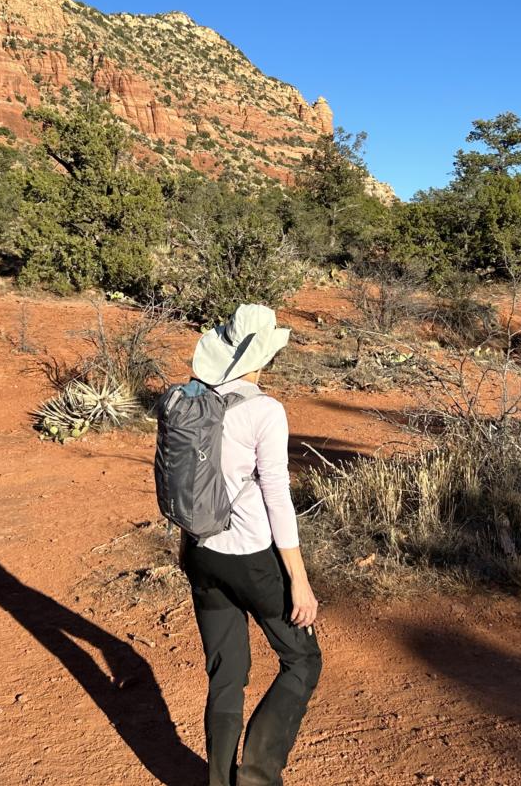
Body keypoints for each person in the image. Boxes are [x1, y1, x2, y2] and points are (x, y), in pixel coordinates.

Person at [180, 303, 323, 786]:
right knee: (301, 659)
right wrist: (299, 583)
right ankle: (257, 779)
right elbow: (277, 497)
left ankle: (218, 780)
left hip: (198, 553)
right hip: (252, 558)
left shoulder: (189, 400)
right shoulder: (264, 410)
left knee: (225, 674)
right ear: (263, 357)